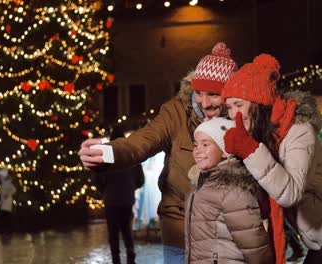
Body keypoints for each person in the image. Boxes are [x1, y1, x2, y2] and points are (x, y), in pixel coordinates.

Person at [78, 42, 237, 263]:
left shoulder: (241, 117)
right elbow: (143, 140)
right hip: (181, 230)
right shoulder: (176, 112)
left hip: (228, 234)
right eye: (199, 93)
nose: (204, 102)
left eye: (213, 95)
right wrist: (107, 152)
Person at [221, 54, 322, 264]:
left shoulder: (298, 131)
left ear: (258, 104)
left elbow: (290, 193)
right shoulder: (262, 139)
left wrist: (249, 150)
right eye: (229, 107)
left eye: (239, 105)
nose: (233, 114)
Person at [185, 117, 273, 263]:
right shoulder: (202, 185)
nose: (198, 151)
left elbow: (254, 246)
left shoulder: (234, 191)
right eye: (195, 145)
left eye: (205, 144)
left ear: (224, 152)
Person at [91, 126, 145, 264]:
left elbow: (96, 178)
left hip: (111, 200)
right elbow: (140, 180)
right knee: (126, 228)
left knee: (113, 231)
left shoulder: (104, 156)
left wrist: (105, 190)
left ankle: (116, 258)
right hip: (127, 198)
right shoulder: (131, 154)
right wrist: (131, 187)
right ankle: (130, 252)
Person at [0, 168, 16, 241]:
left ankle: (8, 233)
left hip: (7, 205)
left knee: (7, 219)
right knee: (4, 219)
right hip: (3, 205)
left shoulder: (8, 183)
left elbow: (13, 189)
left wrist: (7, 194)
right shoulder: (3, 183)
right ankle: (5, 233)